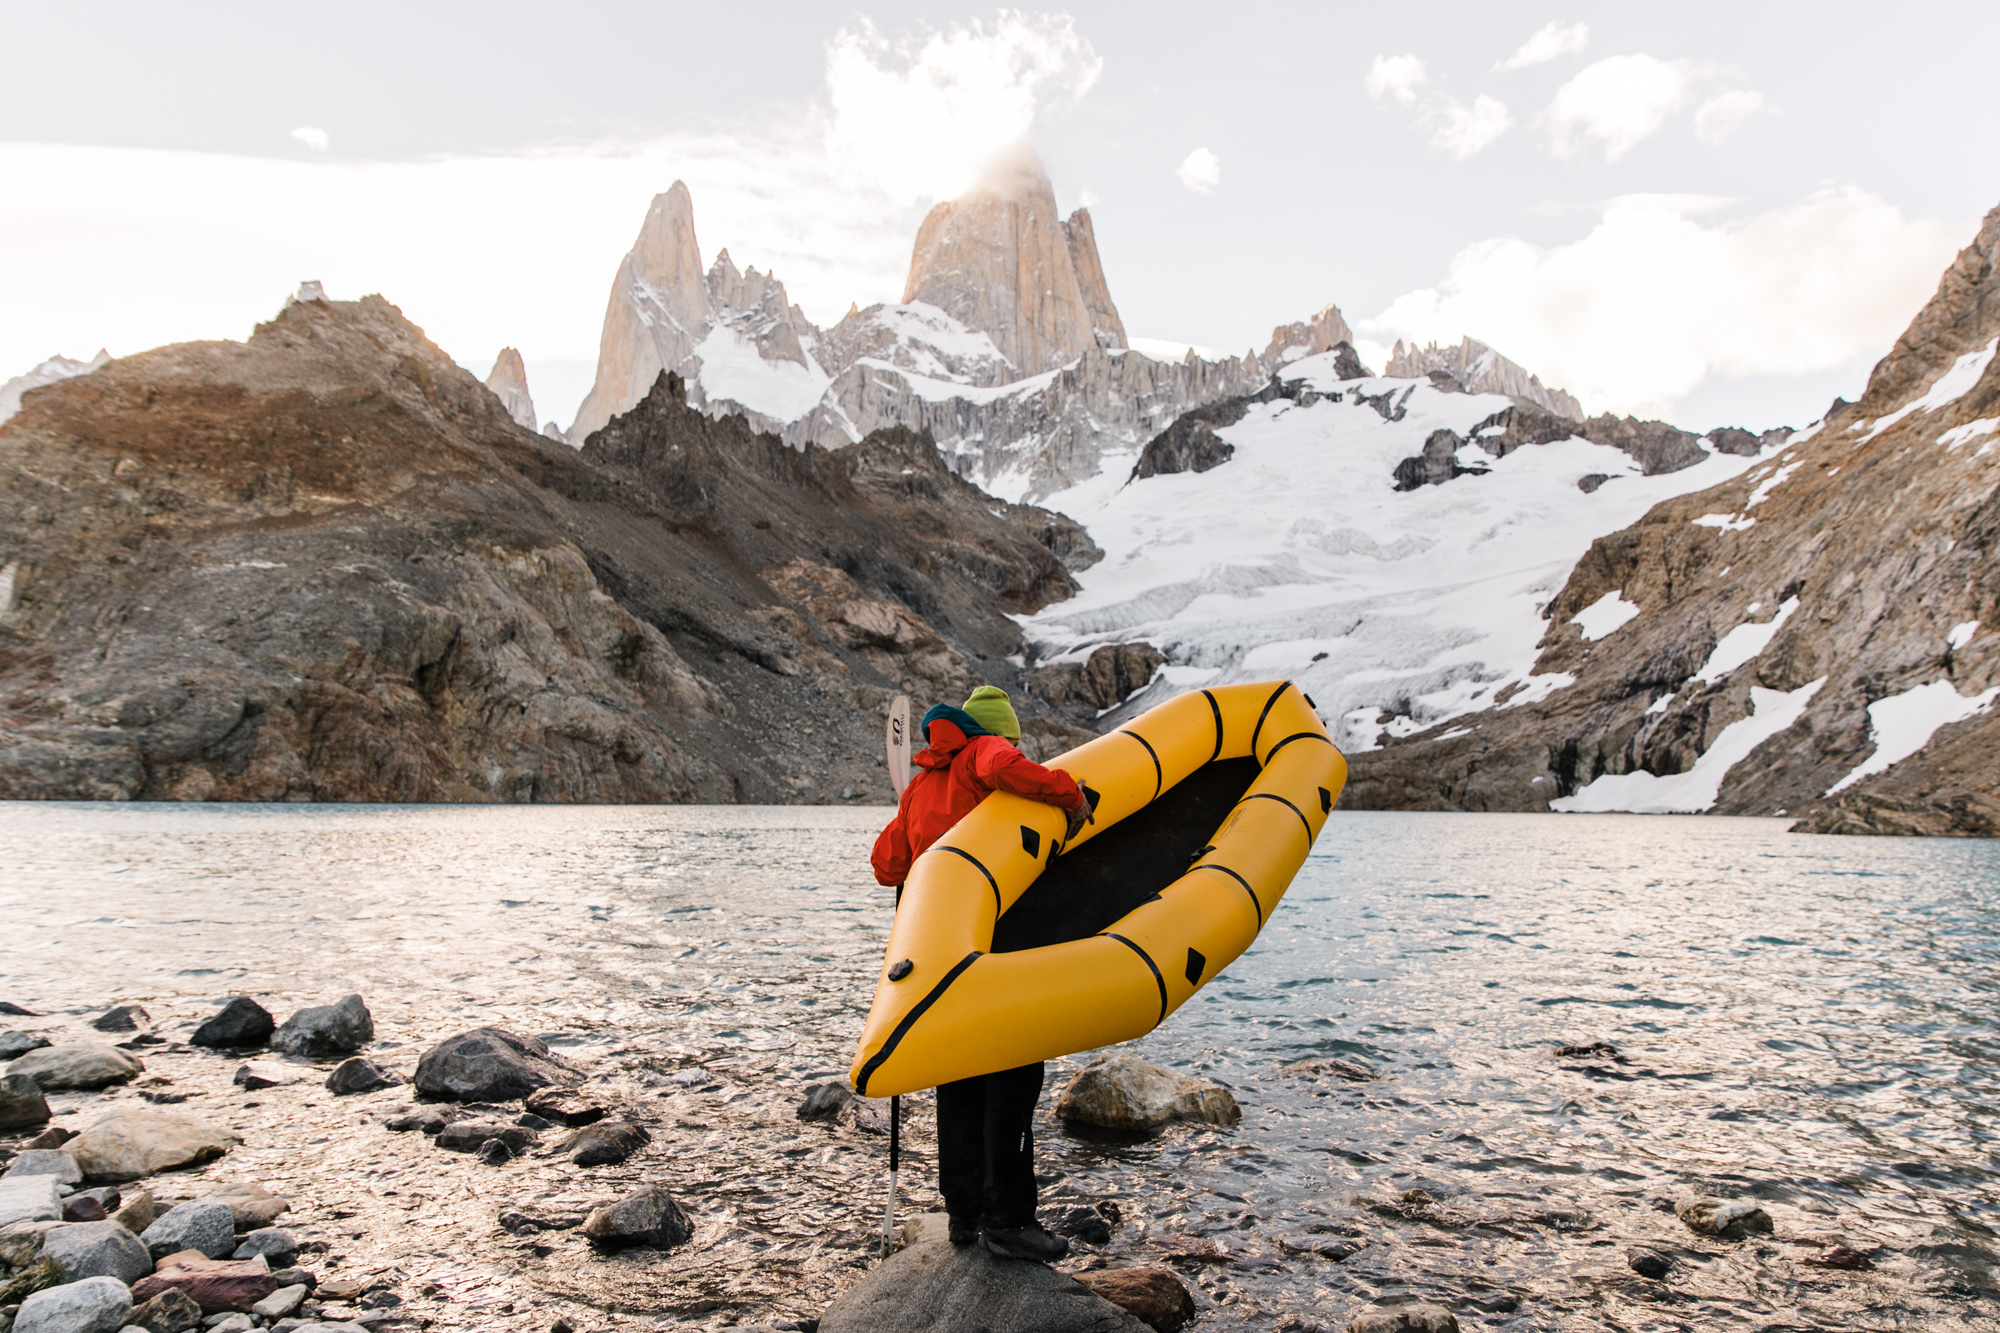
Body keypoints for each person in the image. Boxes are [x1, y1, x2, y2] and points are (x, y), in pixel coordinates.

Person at [871, 685, 1089, 1262]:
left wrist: (912, 822)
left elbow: (885, 865)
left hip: (940, 960)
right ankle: (1009, 1221)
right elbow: (1012, 769)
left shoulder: (920, 784)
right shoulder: (985, 754)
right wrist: (1070, 795)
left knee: (959, 1083)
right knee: (1012, 1085)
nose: (1014, 748)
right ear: (997, 732)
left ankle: (962, 1213)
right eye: (1013, 739)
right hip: (997, 951)